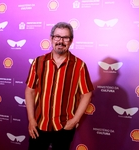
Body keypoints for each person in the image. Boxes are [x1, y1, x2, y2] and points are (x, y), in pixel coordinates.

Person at [25, 22, 94, 150]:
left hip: (64, 126)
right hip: (39, 124)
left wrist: (74, 121)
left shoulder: (79, 66)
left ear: (71, 41)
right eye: (57, 37)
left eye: (65, 38)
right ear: (51, 39)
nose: (60, 41)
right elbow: (30, 91)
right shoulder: (38, 62)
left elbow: (87, 93)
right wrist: (31, 119)